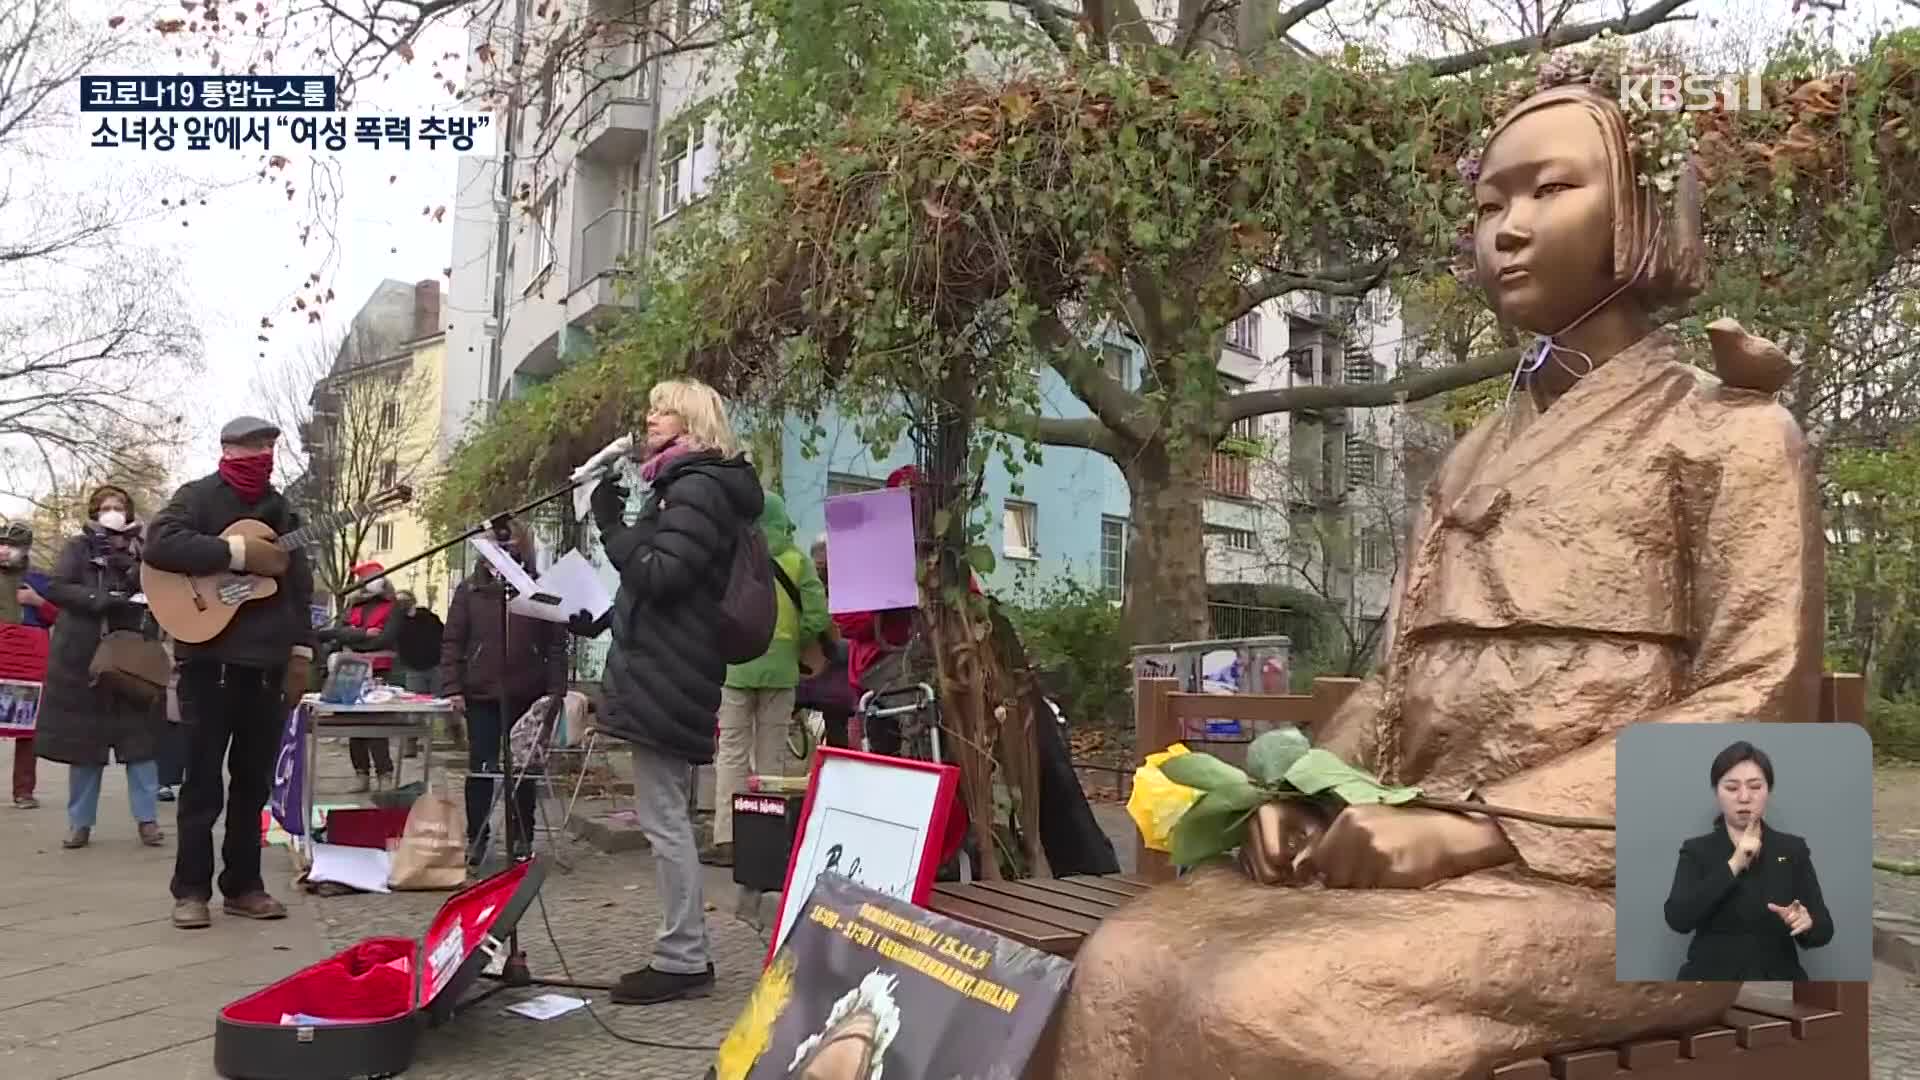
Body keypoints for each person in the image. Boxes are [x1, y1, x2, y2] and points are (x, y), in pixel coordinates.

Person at [1043, 70, 1821, 1080]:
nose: (1507, 225)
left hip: (1643, 884)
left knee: (1259, 1005)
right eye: (1490, 202)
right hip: (1435, 852)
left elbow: (1762, 703)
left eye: (1551, 191)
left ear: (1637, 213)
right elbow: (1398, 687)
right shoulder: (1465, 461)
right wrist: (1302, 802)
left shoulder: (1732, 431)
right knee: (1126, 961)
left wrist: (1479, 831)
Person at [580, 377, 764, 1005]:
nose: (649, 417)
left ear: (690, 424)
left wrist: (609, 524)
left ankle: (683, 957)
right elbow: (663, 584)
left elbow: (660, 574)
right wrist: (602, 617)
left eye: (663, 410)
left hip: (669, 675)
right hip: (666, 669)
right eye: (651, 406)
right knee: (665, 817)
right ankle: (683, 951)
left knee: (664, 821)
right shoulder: (687, 488)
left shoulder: (698, 488)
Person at [144, 417, 317, 930]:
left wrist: (303, 652)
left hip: (265, 666)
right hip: (207, 661)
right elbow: (161, 546)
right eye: (254, 446)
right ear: (228, 449)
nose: (263, 454)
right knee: (201, 784)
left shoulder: (284, 510)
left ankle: (244, 885)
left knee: (252, 785)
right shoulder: (197, 497)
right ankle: (190, 890)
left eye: (269, 447)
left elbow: (299, 588)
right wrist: (235, 552)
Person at [35, 486, 170, 849]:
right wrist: (99, 600)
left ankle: (147, 821)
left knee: (140, 746)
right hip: (83, 658)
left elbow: (161, 590)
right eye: (105, 507)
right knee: (85, 748)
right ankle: (80, 823)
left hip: (131, 657)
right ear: (95, 512)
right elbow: (58, 588)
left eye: (119, 506)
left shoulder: (143, 549)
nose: (113, 512)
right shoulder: (78, 547)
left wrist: (134, 583)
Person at [702, 491, 829, 868]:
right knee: (771, 758)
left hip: (736, 668)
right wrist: (796, 643)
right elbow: (818, 616)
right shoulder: (796, 560)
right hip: (781, 671)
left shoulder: (732, 559)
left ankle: (726, 838)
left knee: (731, 754)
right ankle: (766, 840)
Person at [439, 520, 566, 865]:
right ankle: (476, 839)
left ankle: (522, 836)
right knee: (481, 768)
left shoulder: (537, 588)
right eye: (496, 544)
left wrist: (555, 691)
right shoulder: (470, 591)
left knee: (523, 770)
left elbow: (556, 644)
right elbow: (452, 642)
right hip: (481, 693)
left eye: (511, 543)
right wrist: (453, 688)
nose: (504, 549)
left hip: (528, 692)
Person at [1663, 741, 1833, 980]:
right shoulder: (1697, 850)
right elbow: (1678, 918)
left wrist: (1806, 922)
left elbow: (1824, 930)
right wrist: (1735, 863)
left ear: (1768, 791)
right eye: (1732, 788)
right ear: (1717, 792)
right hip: (1709, 982)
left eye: (1755, 787)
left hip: (1779, 980)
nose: (1744, 797)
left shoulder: (1793, 849)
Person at [320, 561, 401, 792]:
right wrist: (363, 633)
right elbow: (336, 633)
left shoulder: (394, 606)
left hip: (380, 668)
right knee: (353, 723)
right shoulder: (352, 606)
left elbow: (385, 638)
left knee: (376, 723)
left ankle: (384, 773)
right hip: (350, 669)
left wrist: (354, 637)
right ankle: (361, 773)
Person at [1, 522, 58, 809]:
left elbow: (60, 616)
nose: (3, 550)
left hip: (29, 659)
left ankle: (23, 791)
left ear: (24, 549)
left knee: (26, 727)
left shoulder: (40, 580)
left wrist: (36, 601)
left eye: (10, 545)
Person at [794, 535, 854, 750]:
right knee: (836, 718)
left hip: (827, 670)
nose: (821, 561)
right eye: (818, 554)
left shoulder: (815, 584)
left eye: (824, 555)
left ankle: (837, 759)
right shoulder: (809, 585)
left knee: (836, 719)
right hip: (819, 667)